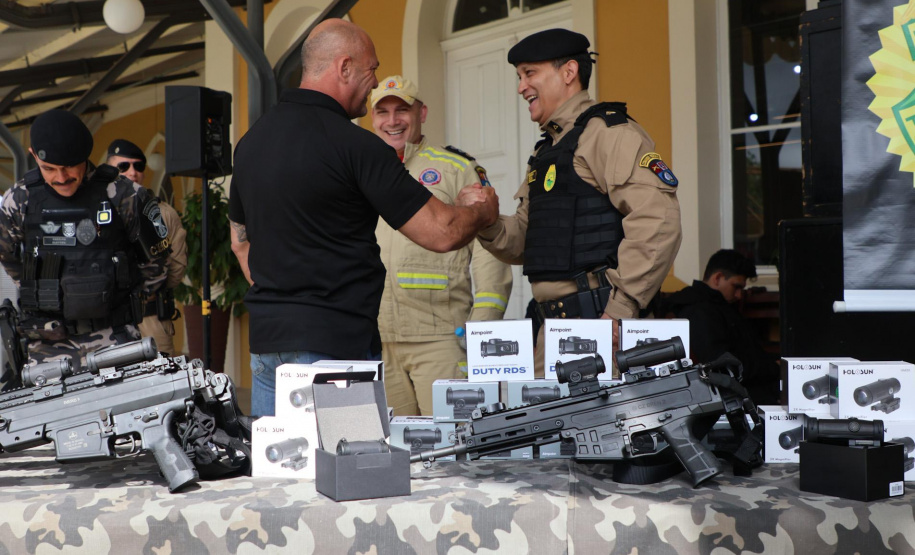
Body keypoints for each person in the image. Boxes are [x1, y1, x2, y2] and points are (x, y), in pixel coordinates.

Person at [228, 20, 499, 417]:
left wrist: (282, 294)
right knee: (346, 472)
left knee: (280, 475)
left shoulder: (251, 143)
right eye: (371, 69)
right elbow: (442, 232)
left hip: (268, 347)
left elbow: (240, 241)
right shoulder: (356, 146)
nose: (374, 83)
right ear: (344, 67)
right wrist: (482, 210)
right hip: (333, 350)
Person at [459, 28, 681, 376]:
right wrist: (485, 219)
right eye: (519, 77)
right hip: (555, 332)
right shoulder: (548, 151)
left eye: (530, 73)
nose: (520, 87)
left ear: (569, 72)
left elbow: (658, 219)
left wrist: (620, 312)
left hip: (603, 330)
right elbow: (522, 240)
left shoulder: (608, 134)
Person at [370, 76, 513, 416]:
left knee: (451, 446)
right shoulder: (364, 169)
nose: (392, 121)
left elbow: (489, 250)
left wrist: (482, 325)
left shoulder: (456, 168)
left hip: (441, 340)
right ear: (372, 119)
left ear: (422, 112)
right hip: (378, 340)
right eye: (383, 112)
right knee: (395, 449)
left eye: (402, 110)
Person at [0, 109, 169, 381]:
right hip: (47, 346)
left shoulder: (125, 195)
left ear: (86, 157)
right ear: (33, 155)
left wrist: (119, 297)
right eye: (49, 169)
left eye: (69, 166)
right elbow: (5, 253)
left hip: (114, 340)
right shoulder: (19, 200)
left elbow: (157, 265)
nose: (60, 177)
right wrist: (38, 289)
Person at [660, 249, 779, 404]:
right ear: (718, 278)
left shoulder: (716, 306)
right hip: (734, 400)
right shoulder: (699, 310)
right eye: (736, 286)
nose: (738, 295)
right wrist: (773, 367)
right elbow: (718, 364)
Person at [107, 139, 187, 356]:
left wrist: (149, 291)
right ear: (109, 168)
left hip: (150, 320)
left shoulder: (162, 212)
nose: (132, 172)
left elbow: (176, 269)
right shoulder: (96, 209)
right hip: (105, 324)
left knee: (158, 386)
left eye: (138, 166)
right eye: (123, 166)